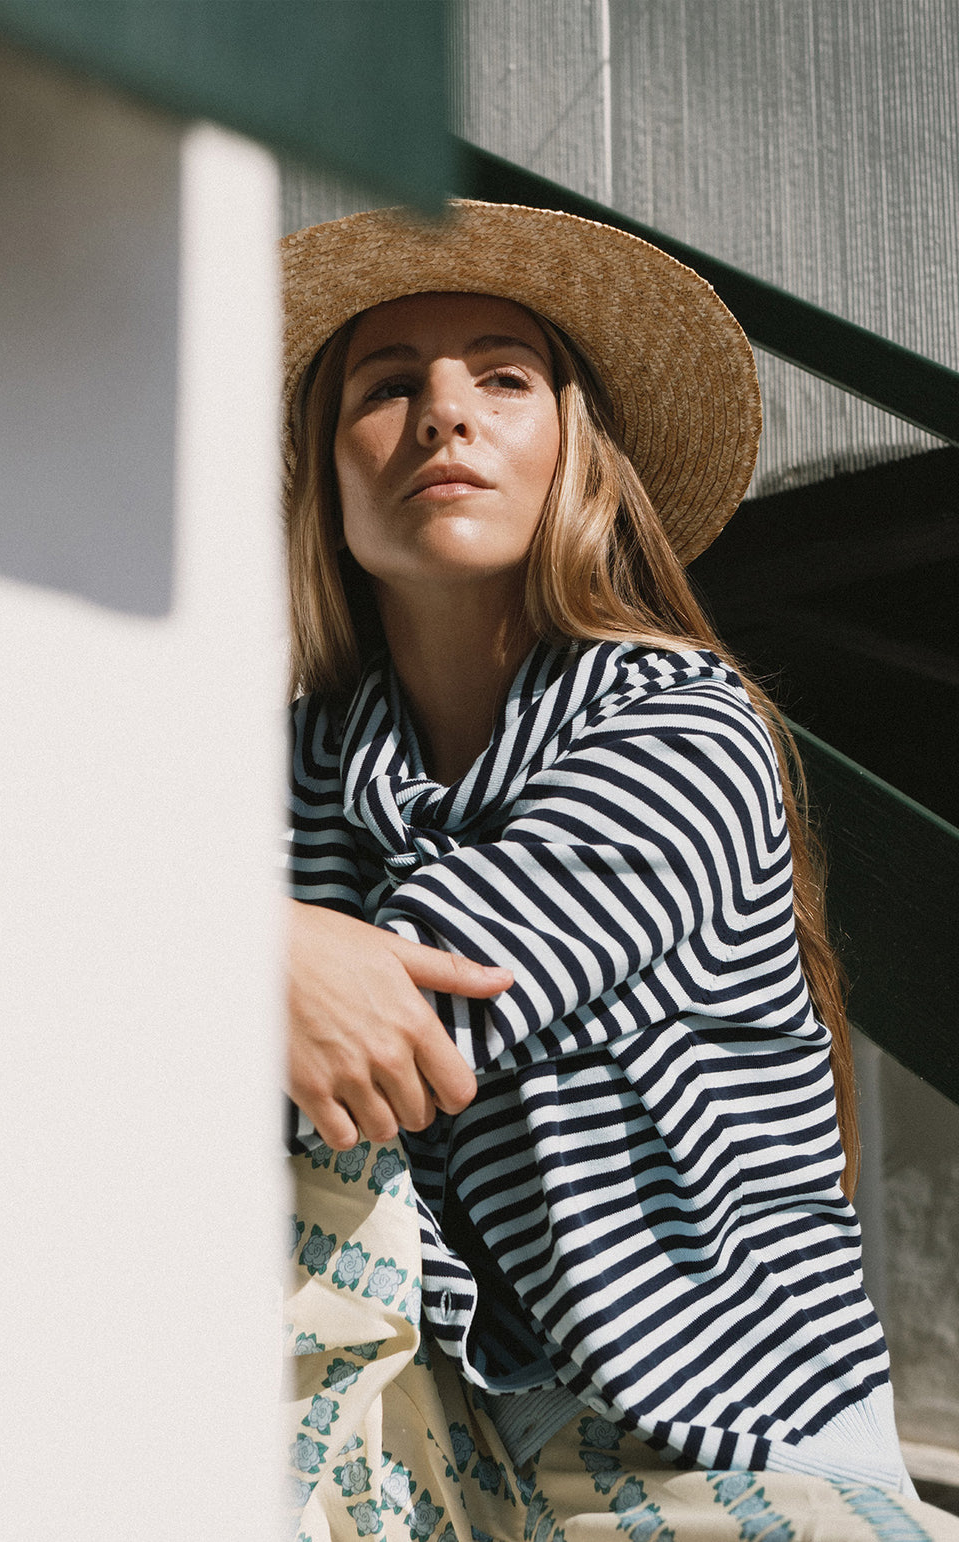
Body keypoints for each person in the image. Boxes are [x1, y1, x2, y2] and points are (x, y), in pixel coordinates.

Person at [280, 200, 958, 1541]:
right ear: (326, 475)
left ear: (574, 453)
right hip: (448, 1429)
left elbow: (414, 1023)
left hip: (717, 1434)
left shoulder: (680, 724)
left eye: (504, 378)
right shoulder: (304, 763)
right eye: (388, 387)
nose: (445, 414)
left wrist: (223, 941)